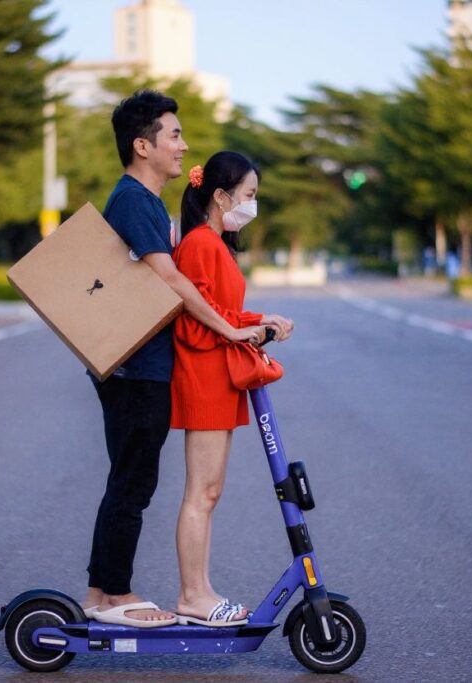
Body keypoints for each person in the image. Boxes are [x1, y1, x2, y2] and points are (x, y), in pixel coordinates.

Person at [84, 92, 266, 628]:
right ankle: (109, 597)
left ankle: (106, 589)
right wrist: (230, 328)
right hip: (135, 365)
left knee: (134, 478)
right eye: (174, 135)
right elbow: (170, 279)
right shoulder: (133, 200)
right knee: (132, 481)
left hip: (144, 365)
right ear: (143, 146)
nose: (184, 146)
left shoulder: (146, 202)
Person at [171, 151, 294, 627]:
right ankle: (192, 595)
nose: (252, 204)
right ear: (220, 196)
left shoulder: (215, 244)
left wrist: (259, 320)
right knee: (200, 492)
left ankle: (199, 590)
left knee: (210, 490)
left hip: (219, 378)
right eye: (249, 196)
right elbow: (193, 322)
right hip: (204, 376)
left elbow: (218, 310)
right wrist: (243, 327)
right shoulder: (201, 244)